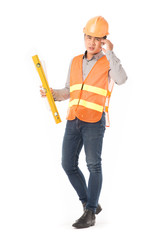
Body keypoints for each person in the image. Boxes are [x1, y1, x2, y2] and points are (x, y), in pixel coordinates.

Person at [40, 16, 127, 228]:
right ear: (84, 35)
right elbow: (69, 91)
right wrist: (53, 94)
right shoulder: (75, 60)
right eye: (89, 37)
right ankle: (91, 203)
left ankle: (89, 212)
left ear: (104, 40)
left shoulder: (108, 61)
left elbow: (122, 79)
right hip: (74, 119)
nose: (92, 42)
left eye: (98, 39)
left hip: (94, 121)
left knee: (93, 165)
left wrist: (111, 52)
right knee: (67, 164)